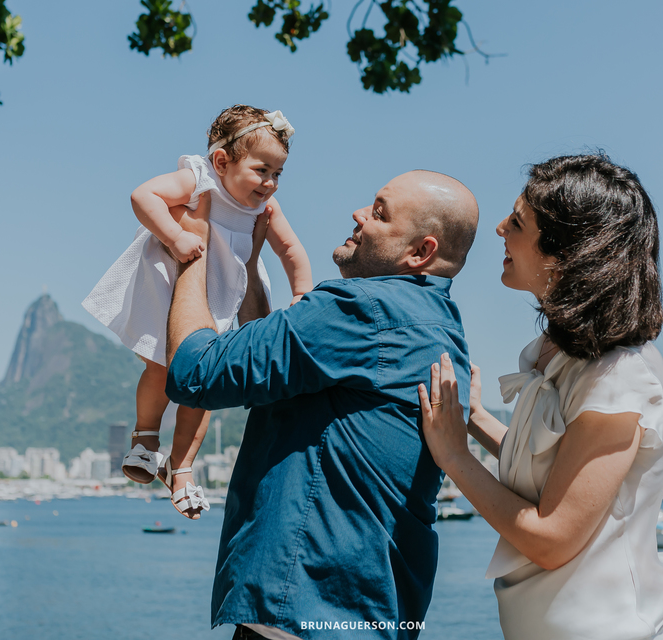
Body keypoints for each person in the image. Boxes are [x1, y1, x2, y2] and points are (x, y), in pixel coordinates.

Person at [165, 171, 479, 640]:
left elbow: (196, 372)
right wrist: (251, 270)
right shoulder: (437, 326)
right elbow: (278, 367)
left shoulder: (364, 310)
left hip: (302, 617)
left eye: (378, 212)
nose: (358, 215)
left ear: (420, 252)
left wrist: (192, 249)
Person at [418, 154, 663, 640]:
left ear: (566, 255)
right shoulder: (564, 354)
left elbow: (553, 538)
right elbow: (554, 469)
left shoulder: (620, 375)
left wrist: (455, 456)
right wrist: (474, 419)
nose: (499, 228)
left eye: (517, 222)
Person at [82, 105, 312, 517]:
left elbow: (291, 249)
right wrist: (174, 237)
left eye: (278, 174)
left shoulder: (264, 210)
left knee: (201, 385)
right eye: (263, 170)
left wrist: (302, 292)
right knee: (158, 366)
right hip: (172, 282)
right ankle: (146, 439)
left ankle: (182, 466)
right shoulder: (200, 180)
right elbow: (143, 196)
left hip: (221, 294)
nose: (271, 183)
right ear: (222, 161)